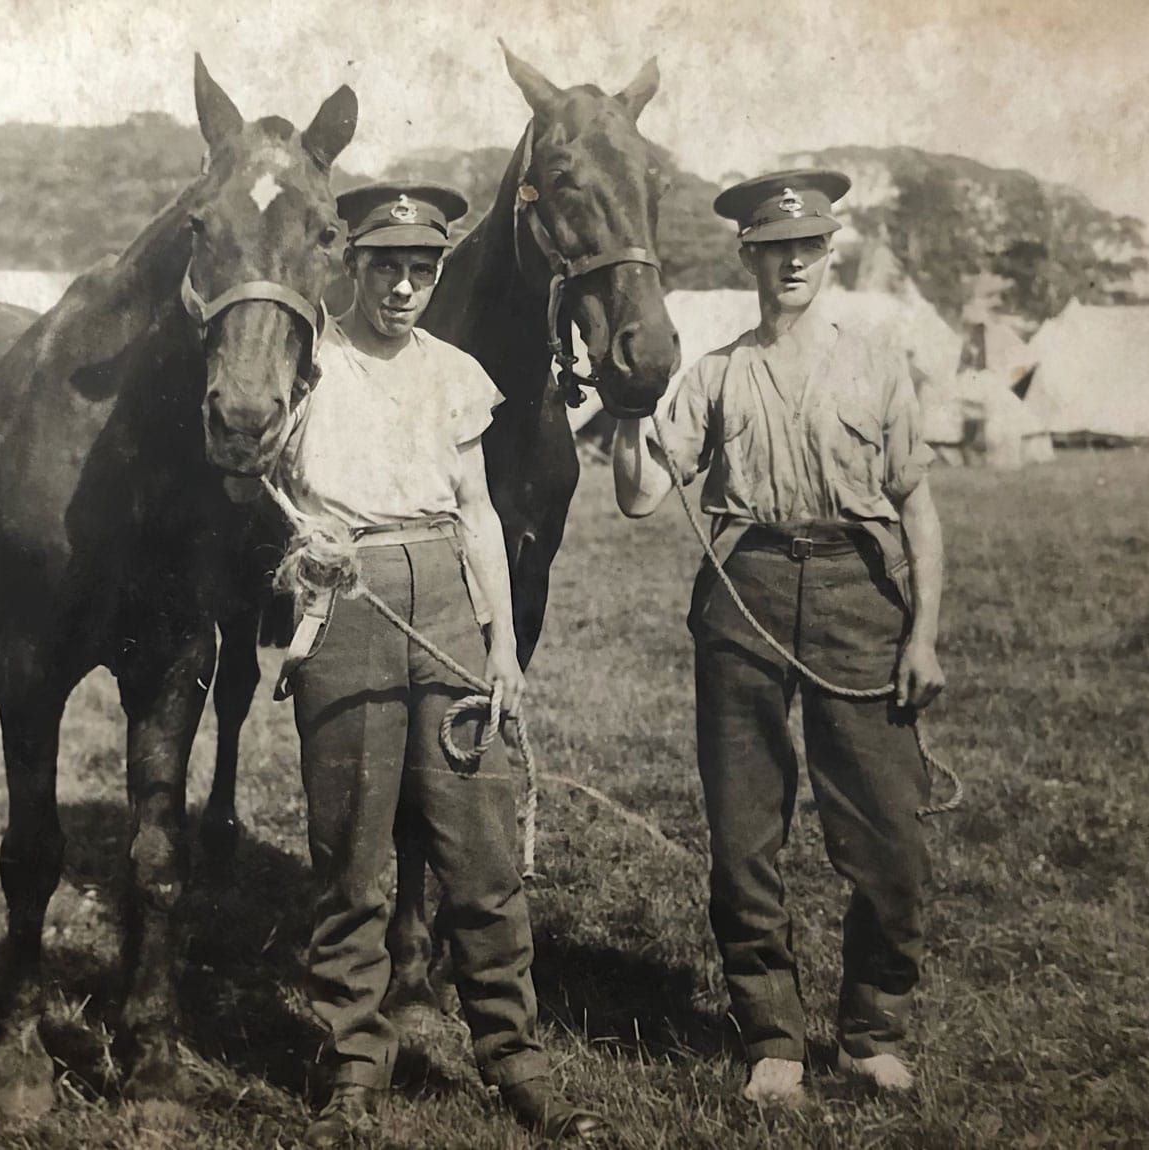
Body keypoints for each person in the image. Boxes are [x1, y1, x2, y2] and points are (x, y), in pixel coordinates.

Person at [273, 182, 603, 1145]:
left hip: (446, 598)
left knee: (481, 848)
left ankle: (516, 1061)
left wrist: (501, 641)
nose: (404, 288)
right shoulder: (307, 366)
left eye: (422, 269)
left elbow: (479, 512)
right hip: (346, 601)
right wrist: (307, 543)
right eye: (386, 267)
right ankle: (355, 1067)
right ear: (354, 267)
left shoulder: (457, 373)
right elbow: (264, 483)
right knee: (352, 855)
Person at [610, 170, 947, 1106]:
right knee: (744, 835)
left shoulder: (877, 365)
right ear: (748, 256)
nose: (791, 262)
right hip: (743, 585)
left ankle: (871, 1031)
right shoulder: (715, 372)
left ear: (828, 253)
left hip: (858, 592)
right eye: (773, 248)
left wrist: (923, 636)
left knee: (889, 840)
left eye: (807, 247)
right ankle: (775, 1039)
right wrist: (628, 405)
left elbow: (918, 507)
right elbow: (641, 497)